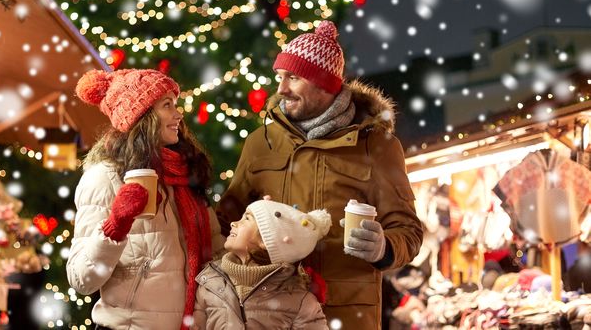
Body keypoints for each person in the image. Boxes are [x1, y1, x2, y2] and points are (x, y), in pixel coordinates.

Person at [217, 20, 423, 328]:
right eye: (280, 77)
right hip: (271, 313)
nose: (281, 89)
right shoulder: (260, 143)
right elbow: (225, 222)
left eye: (293, 78)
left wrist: (385, 247)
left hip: (343, 314)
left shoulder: (377, 146)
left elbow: (408, 229)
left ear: (324, 83)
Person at [67, 69, 225, 330]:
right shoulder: (104, 178)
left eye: (175, 104)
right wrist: (116, 226)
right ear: (142, 117)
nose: (178, 114)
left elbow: (215, 256)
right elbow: (82, 280)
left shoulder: (187, 173)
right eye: (167, 106)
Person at [194, 198, 330, 329]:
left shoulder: (300, 301)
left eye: (246, 219)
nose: (233, 223)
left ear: (266, 240)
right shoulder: (209, 283)